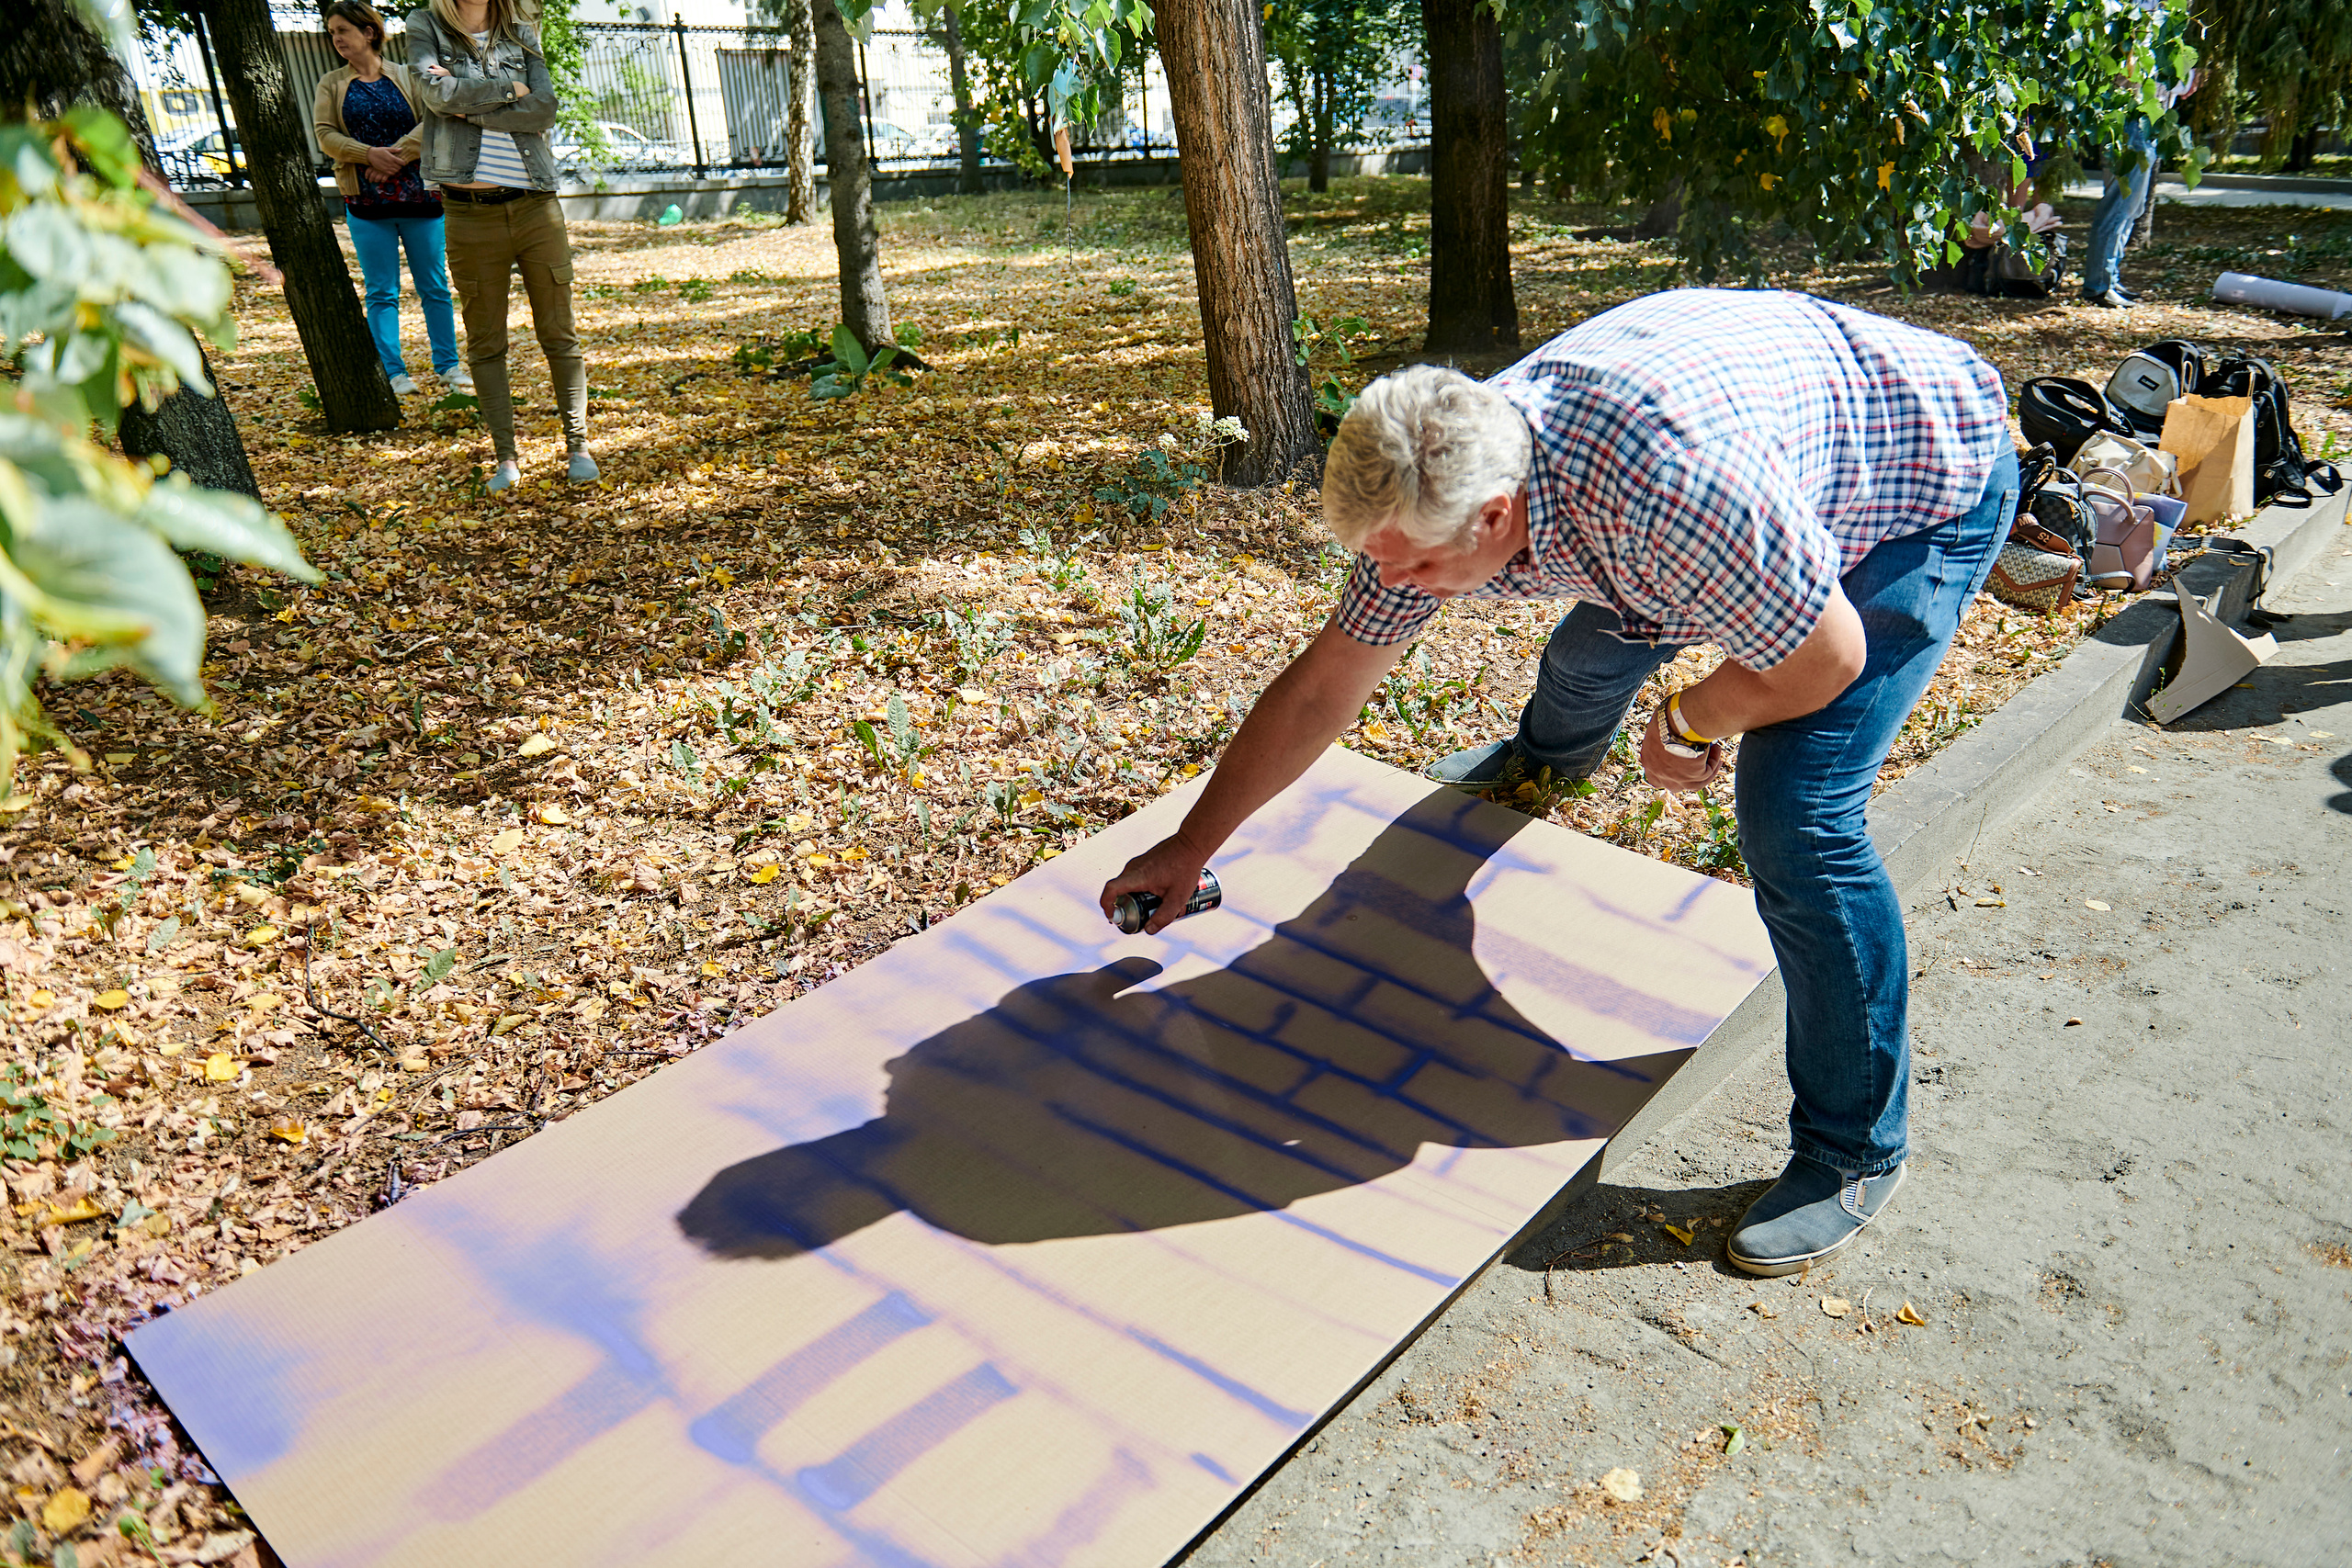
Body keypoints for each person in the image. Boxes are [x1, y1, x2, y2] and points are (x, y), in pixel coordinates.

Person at [1100, 289, 2016, 1279]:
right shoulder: (1434, 478)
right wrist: (1194, 845)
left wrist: (1691, 720)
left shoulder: (1671, 498)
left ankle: (1851, 1150)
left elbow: (1822, 661)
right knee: (1588, 655)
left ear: (1496, 517)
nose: (1390, 586)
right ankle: (1549, 759)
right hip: (1758, 467)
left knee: (1796, 819)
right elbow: (1326, 685)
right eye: (1380, 565)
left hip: (1919, 490)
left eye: (1410, 570)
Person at [406, 0, 597, 491]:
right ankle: (507, 458)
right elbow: (436, 93)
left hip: (536, 205)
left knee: (559, 331)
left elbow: (545, 106)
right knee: (486, 342)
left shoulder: (520, 27)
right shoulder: (425, 25)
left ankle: (577, 445)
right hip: (469, 215)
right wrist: (507, 92)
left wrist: (470, 108)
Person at [314, 1, 464, 399]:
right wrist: (368, 155)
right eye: (332, 32)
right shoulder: (331, 83)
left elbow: (434, 118)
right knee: (382, 292)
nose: (337, 39)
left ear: (368, 32)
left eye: (343, 30)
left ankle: (448, 367)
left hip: (421, 200)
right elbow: (325, 134)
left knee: (435, 287)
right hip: (366, 205)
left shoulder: (407, 75)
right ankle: (395, 373)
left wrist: (393, 156)